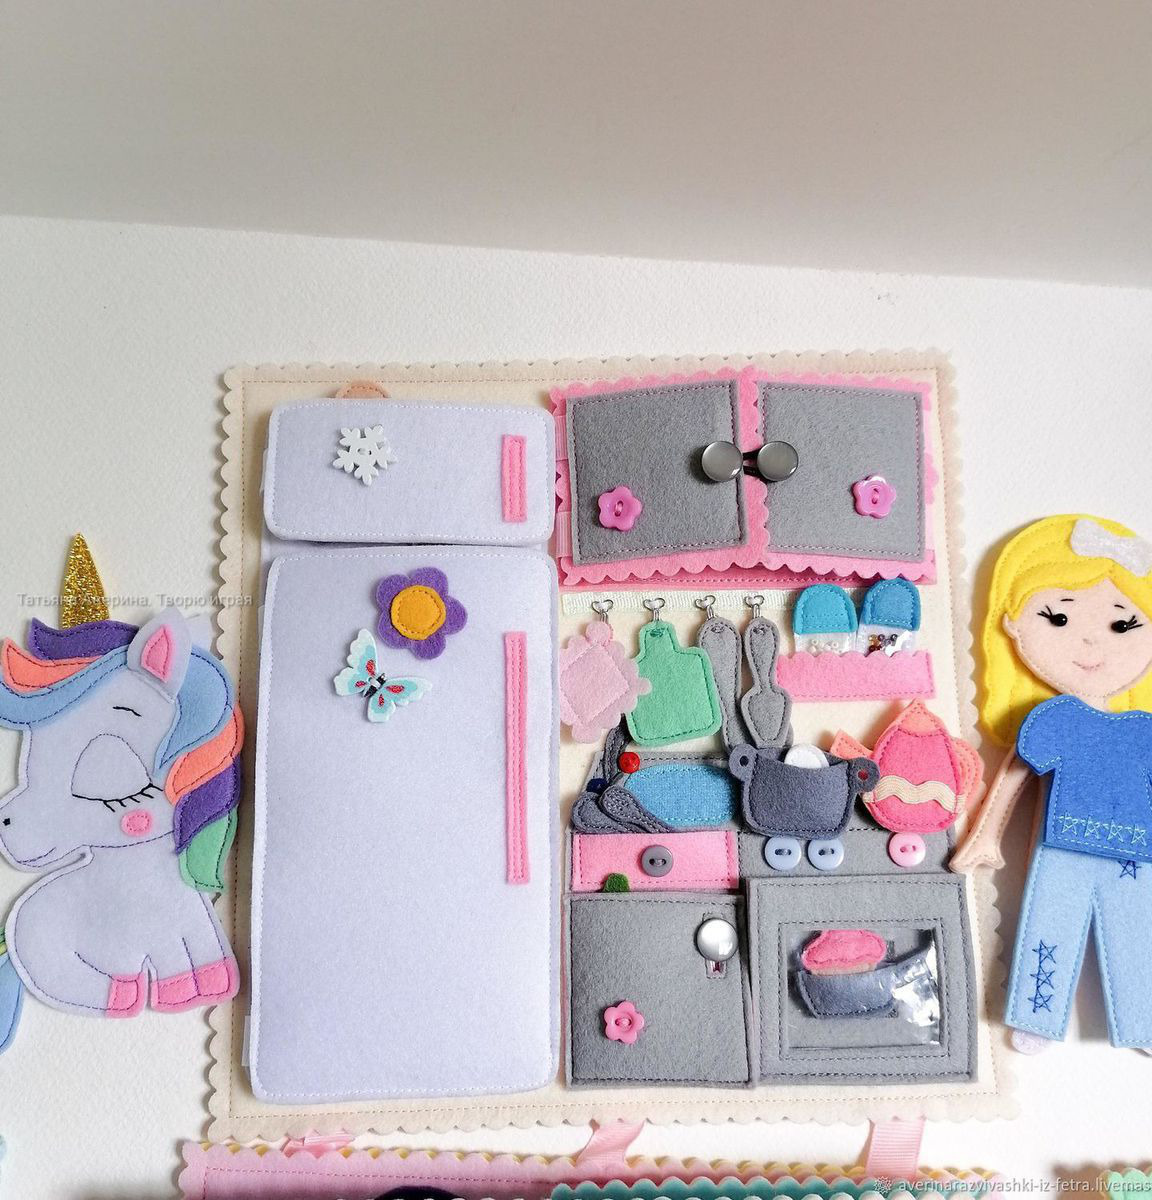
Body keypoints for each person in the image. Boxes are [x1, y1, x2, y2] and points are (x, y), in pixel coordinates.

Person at [953, 514, 1152, 1053]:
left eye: (1123, 626)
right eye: (1058, 619)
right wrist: (986, 835)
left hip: (1135, 854)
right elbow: (1016, 770)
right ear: (1014, 625)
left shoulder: (1142, 728)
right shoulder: (1054, 719)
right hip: (1061, 846)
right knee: (1050, 926)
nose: (1090, 640)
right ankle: (1038, 1018)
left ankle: (1143, 1019)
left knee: (1136, 932)